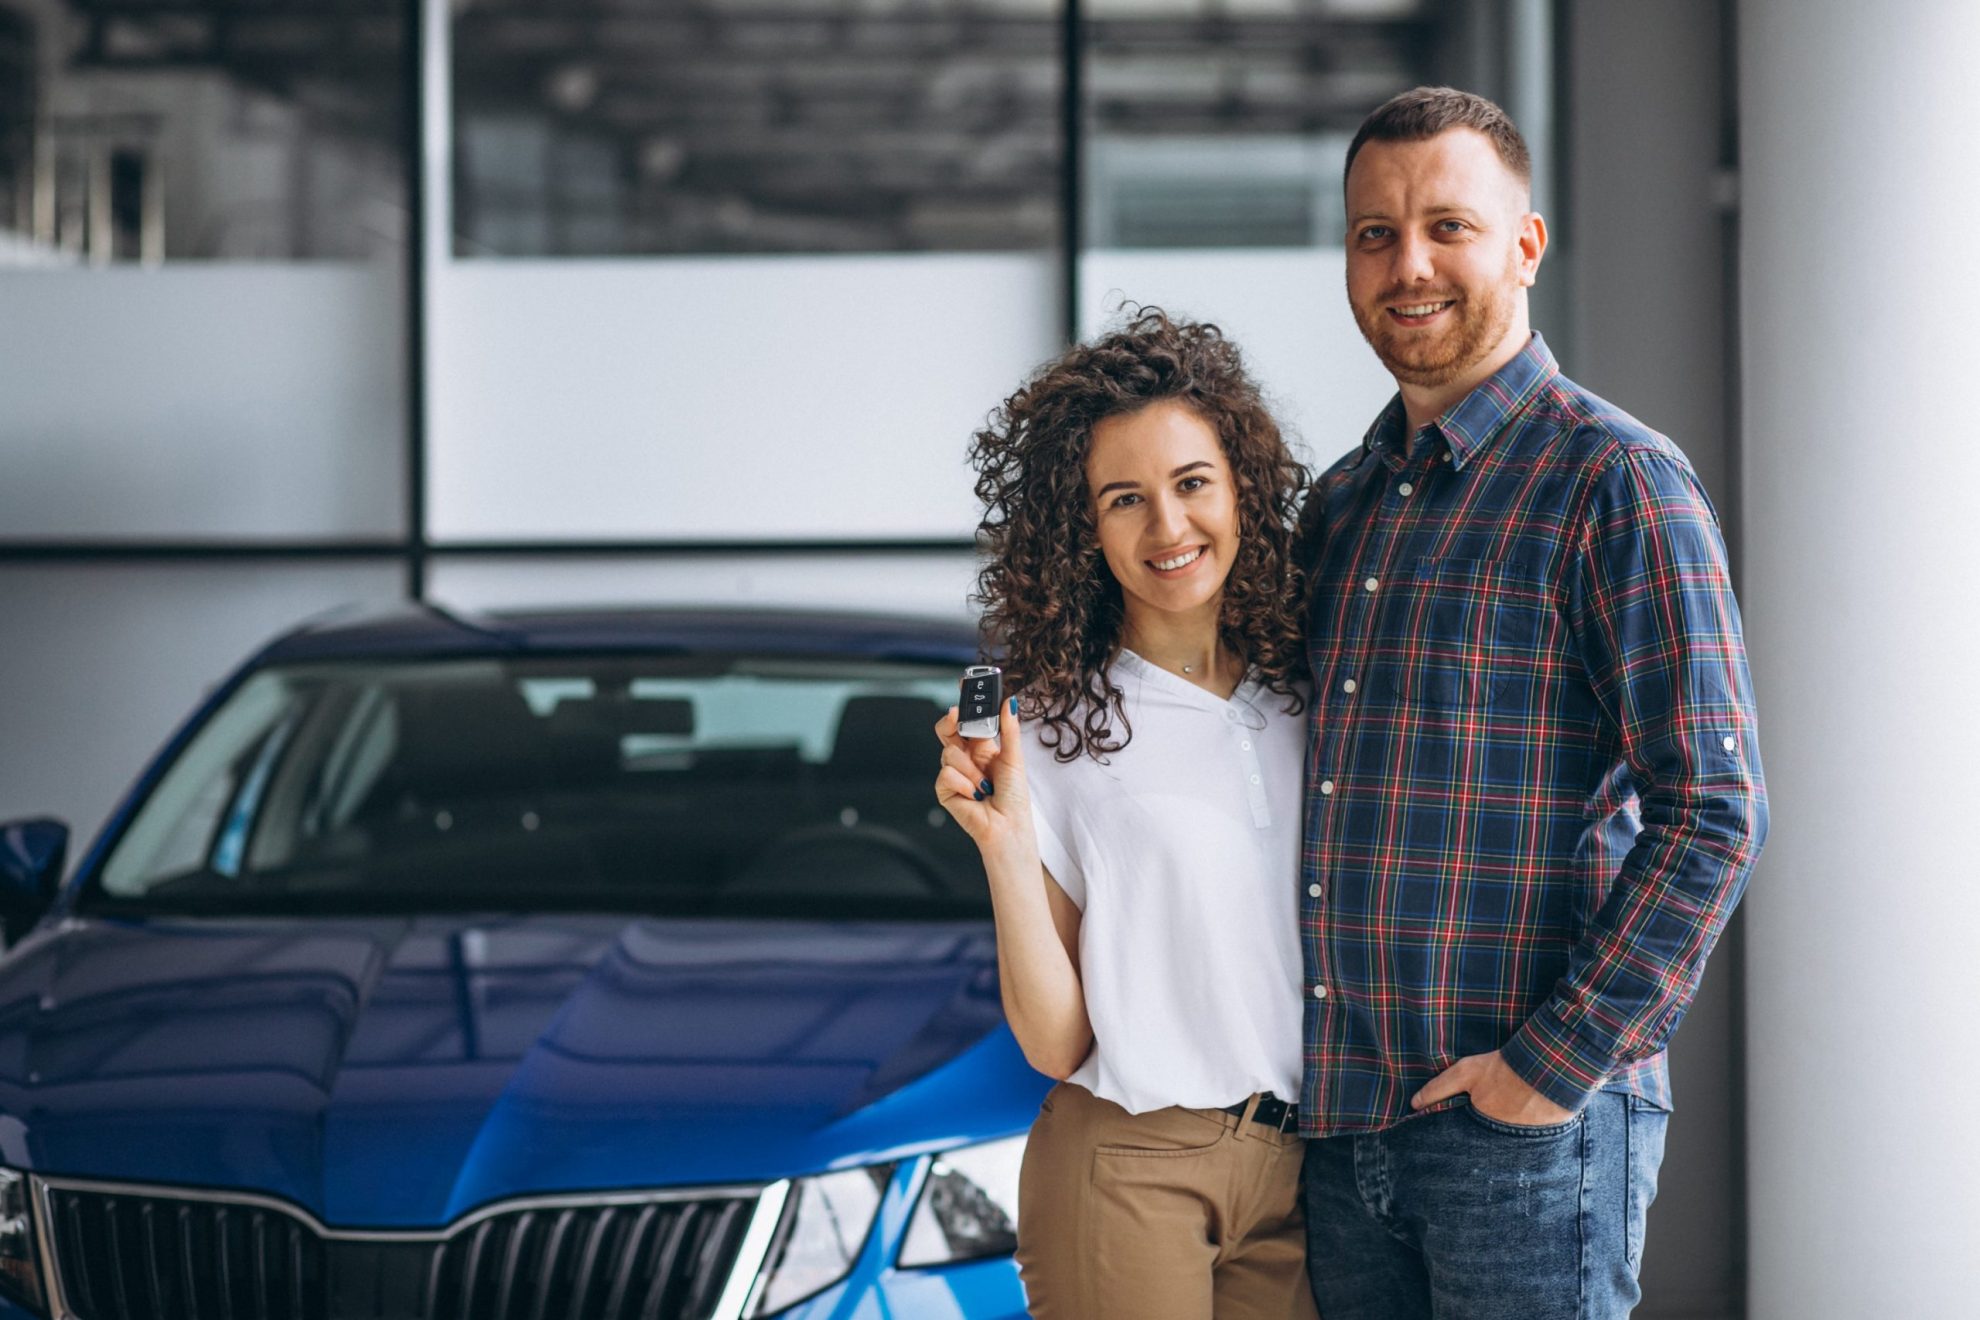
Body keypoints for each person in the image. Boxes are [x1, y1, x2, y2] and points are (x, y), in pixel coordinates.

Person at [1293, 86, 1769, 1319]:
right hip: (1344, 1134)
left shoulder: (1617, 482)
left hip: (1523, 1138)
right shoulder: (1340, 508)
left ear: (1525, 245)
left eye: (1447, 226)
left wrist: (1544, 1075)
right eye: (1376, 234)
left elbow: (1715, 810)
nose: (1409, 265)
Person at [932, 309, 1319, 1320]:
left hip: (1306, 1170)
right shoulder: (1050, 734)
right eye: (1125, 500)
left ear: (1241, 487)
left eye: (1192, 483)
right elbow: (1056, 1044)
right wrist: (1006, 845)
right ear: (1085, 529)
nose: (1169, 528)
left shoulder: (1316, 696)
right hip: (1127, 1166)